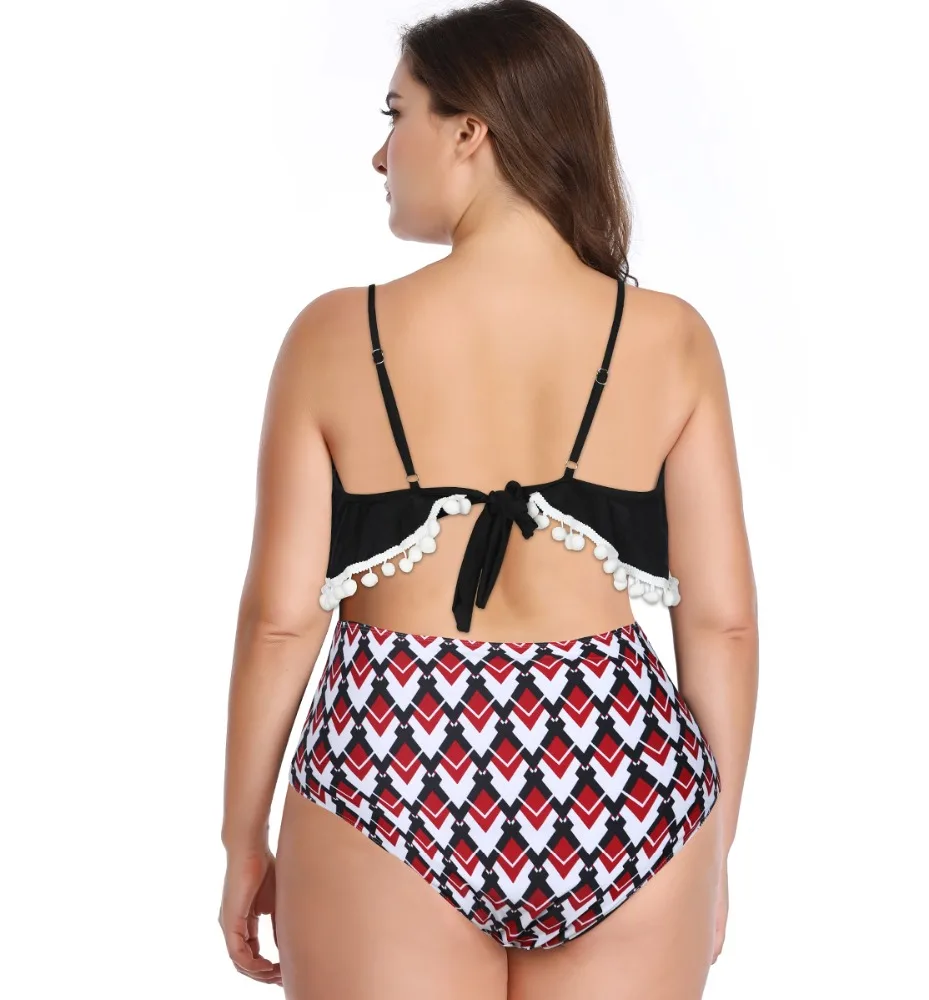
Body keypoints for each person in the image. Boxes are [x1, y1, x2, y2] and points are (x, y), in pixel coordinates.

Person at [218, 2, 758, 997]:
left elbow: (281, 622)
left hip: (393, 759)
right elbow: (721, 624)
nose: (381, 155)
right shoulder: (669, 337)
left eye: (398, 115)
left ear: (471, 131)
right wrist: (711, 841)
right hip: (618, 767)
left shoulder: (336, 337)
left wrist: (240, 836)